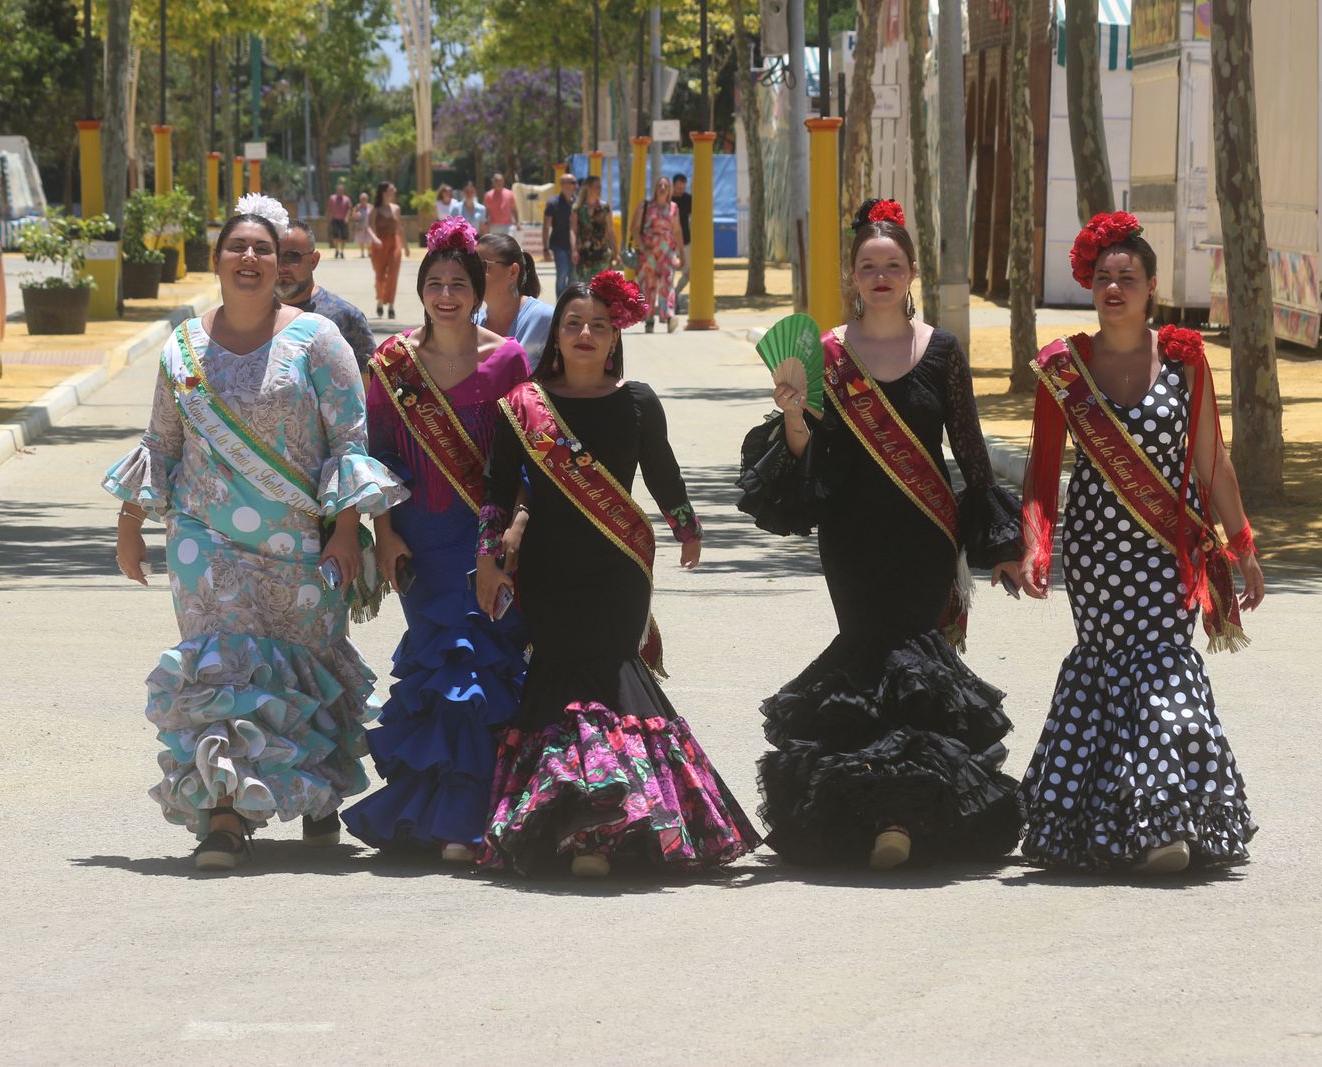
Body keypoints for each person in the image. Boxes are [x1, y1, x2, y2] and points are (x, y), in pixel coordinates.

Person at [104, 193, 407, 871]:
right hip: (203, 543)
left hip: (301, 544)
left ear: (283, 264)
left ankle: (317, 794)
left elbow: (349, 441)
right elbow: (161, 439)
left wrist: (347, 529)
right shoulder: (182, 345)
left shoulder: (318, 340)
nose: (250, 258)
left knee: (306, 666)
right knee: (220, 672)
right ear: (216, 261)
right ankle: (226, 814)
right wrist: (131, 525)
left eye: (263, 249)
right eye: (237, 247)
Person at [740, 198, 1026, 870]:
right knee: (867, 656)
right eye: (869, 266)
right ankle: (875, 810)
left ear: (912, 273)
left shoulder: (943, 352)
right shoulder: (828, 355)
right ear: (852, 275)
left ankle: (900, 812)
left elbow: (972, 452)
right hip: (851, 538)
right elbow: (810, 455)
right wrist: (794, 417)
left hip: (926, 534)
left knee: (916, 665)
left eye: (893, 265)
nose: (881, 277)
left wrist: (1002, 546)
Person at [474, 271, 761, 878]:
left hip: (616, 572)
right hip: (549, 571)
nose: (585, 334)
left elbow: (662, 472)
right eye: (574, 323)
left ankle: (612, 828)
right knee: (557, 681)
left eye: (598, 326)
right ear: (555, 335)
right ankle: (570, 827)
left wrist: (687, 527)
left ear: (614, 339)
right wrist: (490, 558)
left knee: (612, 680)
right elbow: (496, 494)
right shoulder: (523, 405)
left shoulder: (637, 400)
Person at [1016, 211, 1263, 874]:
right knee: (1105, 669)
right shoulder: (1065, 367)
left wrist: (1240, 544)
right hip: (1096, 553)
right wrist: (1036, 546)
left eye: (1128, 276)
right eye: (1103, 277)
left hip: (1166, 550)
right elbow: (1043, 471)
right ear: (1089, 287)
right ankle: (1103, 821)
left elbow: (1212, 461)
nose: (1114, 287)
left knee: (1161, 669)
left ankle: (1164, 826)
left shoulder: (1184, 359)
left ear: (1153, 286)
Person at [341, 216, 532, 863]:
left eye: (458, 283)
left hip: (486, 537)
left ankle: (469, 816)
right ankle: (440, 810)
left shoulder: (507, 359)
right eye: (435, 283)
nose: (446, 294)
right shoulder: (393, 364)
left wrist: (508, 537)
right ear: (421, 290)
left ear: (479, 291)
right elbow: (379, 456)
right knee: (440, 666)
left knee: (482, 666)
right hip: (418, 542)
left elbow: (526, 457)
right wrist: (384, 534)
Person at [276, 220, 375, 377]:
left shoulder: (346, 317)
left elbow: (368, 390)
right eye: (274, 256)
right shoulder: (255, 315)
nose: (281, 267)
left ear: (314, 260)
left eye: (292, 257)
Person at [473, 232, 553, 370]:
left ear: (513, 272)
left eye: (481, 266)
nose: (472, 274)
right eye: (470, 267)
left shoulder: (545, 319)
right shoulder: (471, 324)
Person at [629, 176, 682, 333]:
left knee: (668, 284)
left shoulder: (673, 208)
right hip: (649, 253)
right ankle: (649, 319)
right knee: (649, 287)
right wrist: (643, 246)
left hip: (667, 253)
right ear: (655, 188)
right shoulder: (646, 206)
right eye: (660, 185)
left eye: (666, 185)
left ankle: (669, 316)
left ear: (669, 189)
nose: (663, 188)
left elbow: (677, 230)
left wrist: (681, 255)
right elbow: (634, 228)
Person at [365, 182, 404, 319]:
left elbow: (399, 228)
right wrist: (374, 238)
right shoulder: (374, 210)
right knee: (380, 276)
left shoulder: (396, 209)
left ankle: (391, 305)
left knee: (393, 274)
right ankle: (380, 301)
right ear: (384, 192)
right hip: (379, 245)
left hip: (394, 243)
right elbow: (368, 227)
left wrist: (406, 246)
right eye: (392, 190)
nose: (394, 191)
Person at [573, 175, 619, 279]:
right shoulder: (578, 209)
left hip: (602, 254)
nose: (599, 190)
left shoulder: (604, 208)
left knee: (600, 287)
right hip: (583, 255)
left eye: (600, 187)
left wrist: (616, 252)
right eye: (596, 187)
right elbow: (573, 231)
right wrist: (574, 250)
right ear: (588, 188)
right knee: (584, 289)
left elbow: (610, 230)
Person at [542, 173, 578, 298]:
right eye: (572, 182)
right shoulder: (553, 203)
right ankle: (561, 307)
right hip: (559, 245)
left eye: (575, 182)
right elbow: (546, 226)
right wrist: (545, 248)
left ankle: (571, 305)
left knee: (574, 278)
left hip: (575, 247)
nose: (575, 185)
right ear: (563, 185)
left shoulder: (578, 203)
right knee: (562, 276)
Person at [670, 172, 693, 306]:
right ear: (673, 186)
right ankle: (670, 299)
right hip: (669, 243)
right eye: (678, 188)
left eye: (683, 188)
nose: (681, 191)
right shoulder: (667, 200)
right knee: (669, 275)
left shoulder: (688, 199)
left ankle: (675, 294)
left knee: (689, 273)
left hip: (686, 241)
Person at [483, 172, 518, 237]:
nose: (499, 182)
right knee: (496, 246)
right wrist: (485, 223)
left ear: (503, 181)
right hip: (494, 225)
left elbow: (514, 209)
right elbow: (486, 211)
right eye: (496, 181)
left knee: (508, 245)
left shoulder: (510, 193)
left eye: (500, 180)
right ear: (493, 182)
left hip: (508, 225)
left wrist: (518, 222)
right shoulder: (488, 195)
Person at [327, 180, 352, 258]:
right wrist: (328, 219)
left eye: (341, 190)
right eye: (338, 190)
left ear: (343, 190)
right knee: (335, 236)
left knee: (344, 236)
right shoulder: (332, 198)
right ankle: (336, 250)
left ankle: (342, 251)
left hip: (343, 220)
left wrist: (347, 217)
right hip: (335, 219)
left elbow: (349, 209)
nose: (340, 191)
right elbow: (329, 209)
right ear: (336, 190)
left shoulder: (347, 199)